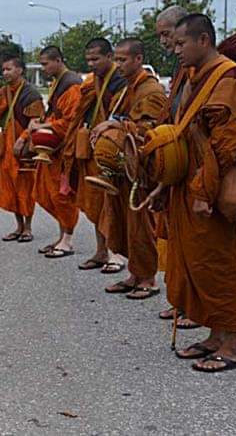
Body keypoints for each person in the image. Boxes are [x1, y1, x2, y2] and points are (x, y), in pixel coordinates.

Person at [166, 14, 236, 372]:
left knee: (221, 263)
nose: (175, 51)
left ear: (203, 40)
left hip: (215, 189)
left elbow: (226, 144)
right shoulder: (193, 77)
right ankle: (215, 335)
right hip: (189, 184)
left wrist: (204, 190)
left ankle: (233, 344)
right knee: (197, 261)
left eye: (180, 44)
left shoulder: (228, 79)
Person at [94, 38, 167, 299]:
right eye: (117, 59)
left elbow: (148, 131)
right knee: (126, 222)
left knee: (142, 224)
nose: (118, 64)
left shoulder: (150, 91)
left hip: (142, 167)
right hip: (124, 167)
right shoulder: (128, 88)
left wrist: (114, 127)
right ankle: (135, 274)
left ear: (138, 59)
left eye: (123, 59)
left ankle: (148, 279)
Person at [61, 38, 127, 273]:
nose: (91, 64)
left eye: (96, 59)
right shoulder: (90, 83)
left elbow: (126, 114)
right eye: (88, 59)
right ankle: (100, 251)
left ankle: (116, 254)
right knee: (95, 205)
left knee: (111, 205)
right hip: (89, 150)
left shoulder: (120, 82)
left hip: (110, 150)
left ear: (109, 57)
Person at [153, 6, 200, 329]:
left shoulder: (212, 73)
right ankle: (182, 302)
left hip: (198, 172)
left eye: (169, 36)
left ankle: (198, 309)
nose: (168, 45)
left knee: (199, 247)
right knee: (178, 241)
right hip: (179, 169)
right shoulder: (185, 71)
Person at [16, 46, 81, 258]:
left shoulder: (72, 86)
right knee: (46, 192)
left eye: (45, 64)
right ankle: (62, 236)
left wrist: (47, 127)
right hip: (51, 149)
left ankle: (68, 240)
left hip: (64, 148)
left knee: (61, 194)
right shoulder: (57, 83)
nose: (43, 68)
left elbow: (71, 121)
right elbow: (53, 115)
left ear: (59, 60)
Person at [0, 56, 44, 242]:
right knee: (10, 186)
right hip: (5, 148)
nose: (5, 73)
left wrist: (22, 139)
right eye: (3, 70)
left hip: (24, 148)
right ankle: (19, 226)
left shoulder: (31, 94)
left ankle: (28, 228)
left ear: (20, 70)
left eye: (8, 69)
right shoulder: (3, 93)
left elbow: (36, 121)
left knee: (25, 187)